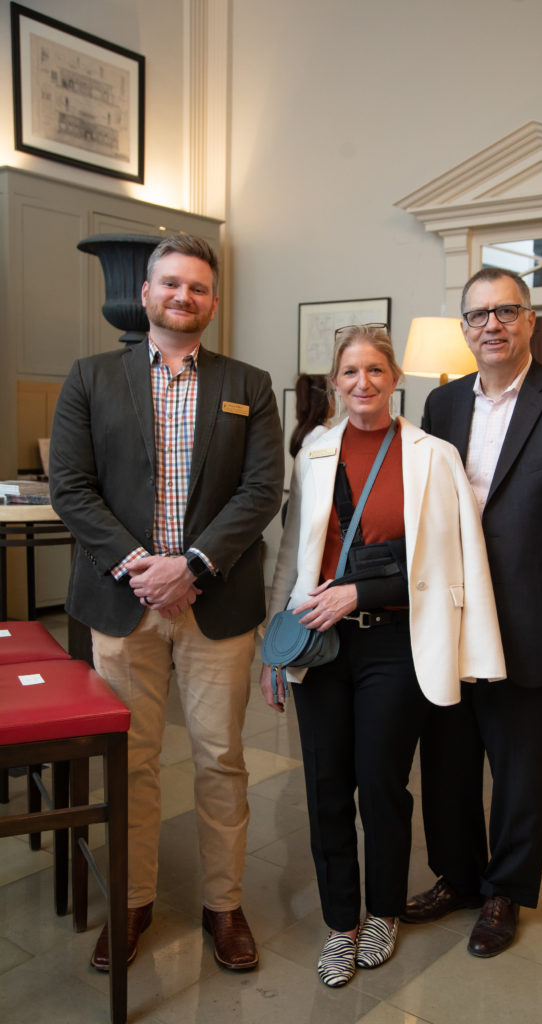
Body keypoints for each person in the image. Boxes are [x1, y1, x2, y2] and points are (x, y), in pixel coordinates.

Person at [49, 234, 283, 974]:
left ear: (213, 303)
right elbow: (71, 486)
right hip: (123, 605)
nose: (184, 297)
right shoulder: (90, 378)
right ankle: (131, 901)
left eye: (199, 288)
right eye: (171, 284)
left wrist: (195, 565)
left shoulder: (250, 382)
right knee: (133, 762)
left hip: (216, 603)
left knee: (221, 759)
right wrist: (138, 567)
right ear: (146, 294)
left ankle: (224, 904)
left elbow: (260, 491)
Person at [259, 323, 505, 987]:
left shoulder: (432, 455)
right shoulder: (313, 450)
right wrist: (272, 647)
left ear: (395, 378)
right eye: (349, 373)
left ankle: (384, 912)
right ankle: (341, 922)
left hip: (395, 644)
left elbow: (446, 565)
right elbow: (292, 554)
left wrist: (357, 591)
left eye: (374, 371)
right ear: (333, 383)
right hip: (318, 641)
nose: (361, 384)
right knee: (324, 787)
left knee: (382, 787)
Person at [403, 268, 542, 958]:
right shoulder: (440, 406)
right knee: (445, 761)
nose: (490, 325)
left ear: (530, 321)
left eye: (505, 311)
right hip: (452, 620)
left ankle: (504, 892)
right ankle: (457, 879)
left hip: (533, 620)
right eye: (477, 315)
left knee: (521, 768)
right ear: (464, 328)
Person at [281, 374, 334, 526]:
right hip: (307, 509)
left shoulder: (304, 431)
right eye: (332, 395)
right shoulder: (321, 434)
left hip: (295, 505)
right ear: (324, 400)